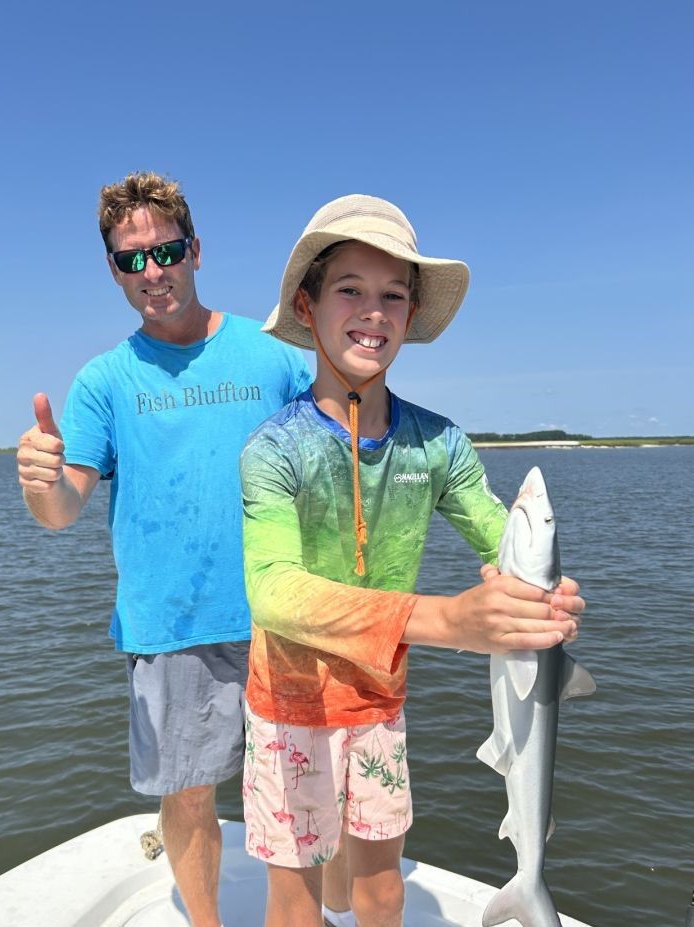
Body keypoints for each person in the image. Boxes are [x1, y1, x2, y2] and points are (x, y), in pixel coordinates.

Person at [238, 194, 585, 927]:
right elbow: (271, 590)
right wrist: (449, 619)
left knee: (384, 889)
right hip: (287, 709)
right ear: (308, 303)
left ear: (411, 312)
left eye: (393, 295)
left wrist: (541, 596)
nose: (374, 311)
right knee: (295, 901)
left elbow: (502, 536)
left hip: (378, 704)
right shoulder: (271, 450)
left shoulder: (439, 445)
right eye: (351, 291)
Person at [16, 171, 311, 927]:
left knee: (303, 787)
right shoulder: (103, 382)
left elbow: (344, 457)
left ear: (196, 250)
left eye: (166, 250)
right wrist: (40, 483)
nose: (153, 272)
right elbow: (63, 509)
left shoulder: (276, 354)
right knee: (187, 794)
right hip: (171, 619)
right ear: (113, 270)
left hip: (288, 612)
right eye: (131, 259)